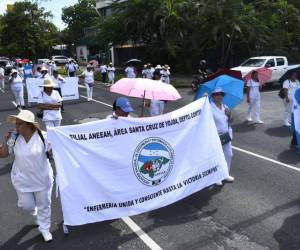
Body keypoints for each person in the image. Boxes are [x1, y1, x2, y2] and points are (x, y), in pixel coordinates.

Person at [0, 110, 54, 242]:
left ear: (29, 125)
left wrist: (53, 150)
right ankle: (35, 214)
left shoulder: (44, 136)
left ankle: (44, 228)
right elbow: (3, 154)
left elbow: (53, 154)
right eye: (16, 124)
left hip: (42, 178)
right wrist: (5, 141)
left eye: (20, 124)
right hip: (22, 179)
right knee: (27, 206)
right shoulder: (14, 137)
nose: (16, 127)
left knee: (44, 205)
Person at [210, 88, 235, 186]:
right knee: (217, 157)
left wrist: (230, 115)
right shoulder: (209, 107)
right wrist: (203, 99)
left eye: (221, 94)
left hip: (226, 135)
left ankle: (225, 174)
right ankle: (216, 176)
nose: (219, 96)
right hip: (215, 136)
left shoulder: (225, 107)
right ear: (213, 96)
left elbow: (231, 121)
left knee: (229, 155)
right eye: (217, 94)